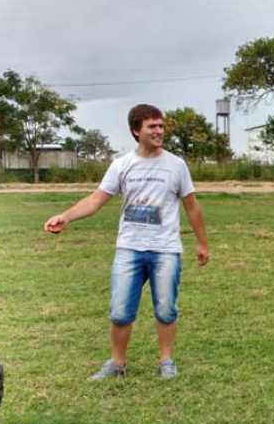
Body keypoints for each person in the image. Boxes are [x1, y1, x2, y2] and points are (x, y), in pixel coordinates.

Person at [43, 104, 210, 380]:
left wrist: (202, 244)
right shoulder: (121, 165)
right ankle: (117, 364)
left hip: (165, 249)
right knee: (120, 311)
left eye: (161, 125)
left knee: (166, 308)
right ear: (136, 130)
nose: (159, 131)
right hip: (129, 249)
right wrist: (66, 216)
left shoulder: (176, 165)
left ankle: (166, 361)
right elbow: (97, 199)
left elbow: (192, 206)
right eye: (152, 126)